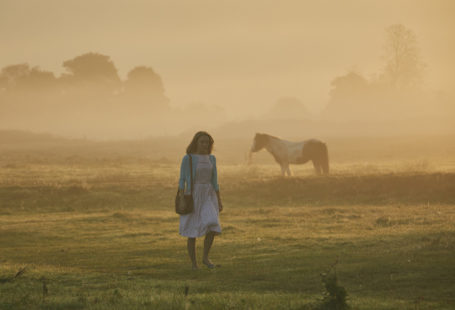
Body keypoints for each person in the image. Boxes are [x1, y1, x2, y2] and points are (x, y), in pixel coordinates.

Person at [178, 131, 223, 269]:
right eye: (202, 142)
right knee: (192, 231)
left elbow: (215, 181)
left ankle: (205, 258)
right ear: (196, 142)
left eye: (207, 142)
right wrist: (181, 198)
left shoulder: (212, 159)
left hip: (208, 194)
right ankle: (194, 264)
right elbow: (182, 180)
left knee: (213, 225)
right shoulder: (188, 158)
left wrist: (219, 200)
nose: (205, 144)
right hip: (193, 195)